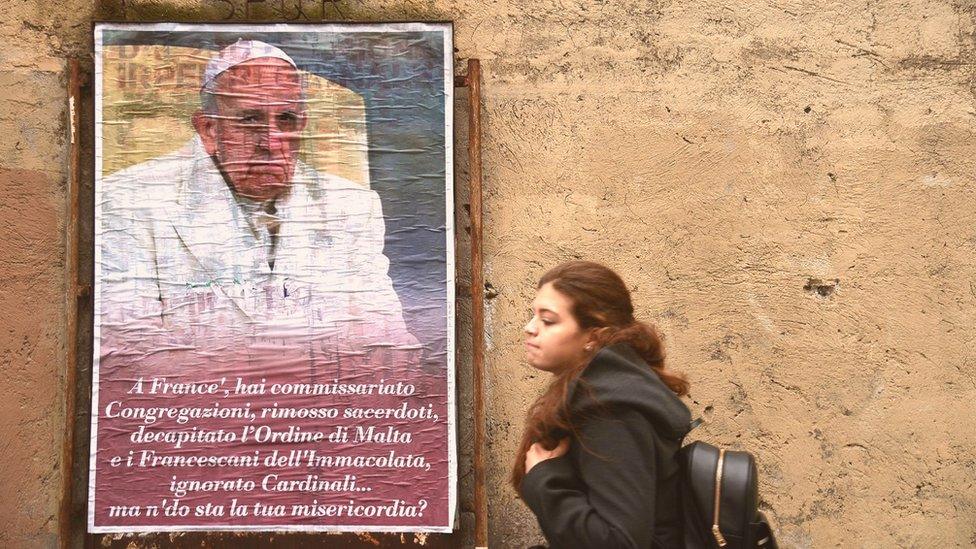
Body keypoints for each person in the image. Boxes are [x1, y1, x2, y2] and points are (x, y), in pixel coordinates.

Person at [98, 39, 416, 359]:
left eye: (286, 120)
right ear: (208, 129)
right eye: (250, 120)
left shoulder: (352, 207)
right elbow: (127, 356)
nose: (272, 143)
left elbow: (388, 341)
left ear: (302, 126)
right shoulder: (128, 202)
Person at [513, 261, 692, 548]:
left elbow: (619, 542)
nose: (529, 328)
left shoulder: (610, 410)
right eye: (532, 315)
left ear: (594, 336)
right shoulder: (607, 389)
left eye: (548, 320)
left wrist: (544, 481)